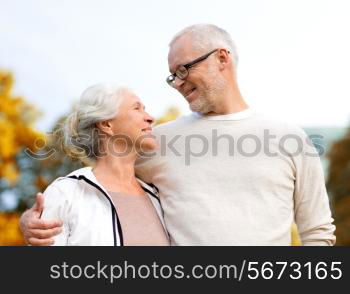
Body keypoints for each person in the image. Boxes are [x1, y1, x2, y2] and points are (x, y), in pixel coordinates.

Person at [20, 24, 335, 245]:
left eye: (184, 70)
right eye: (173, 76)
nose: (179, 83)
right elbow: (100, 182)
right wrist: (33, 222)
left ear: (222, 59)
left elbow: (318, 233)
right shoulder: (157, 141)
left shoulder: (289, 139)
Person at [20, 84, 169, 246]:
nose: (150, 118)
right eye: (137, 108)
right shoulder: (66, 193)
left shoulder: (158, 198)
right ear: (106, 125)